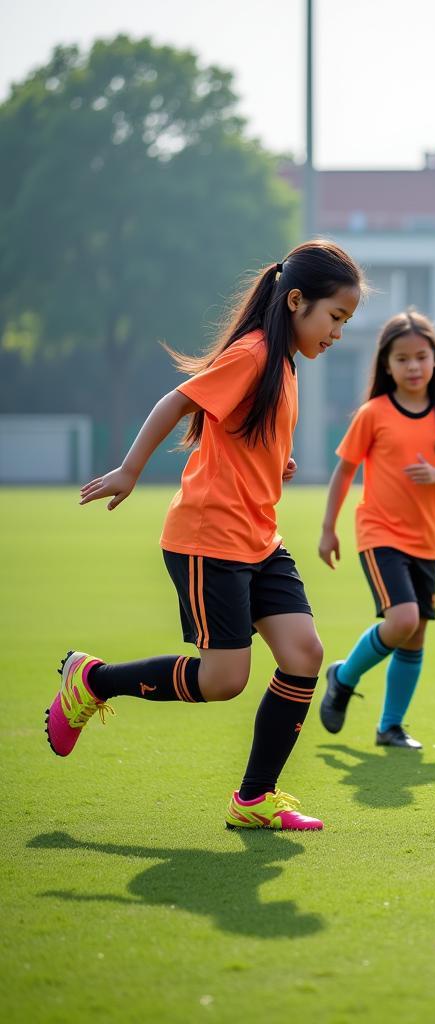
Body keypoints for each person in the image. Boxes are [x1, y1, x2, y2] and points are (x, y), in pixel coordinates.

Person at [46, 240, 365, 831]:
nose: (338, 333)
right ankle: (90, 681)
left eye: (345, 322)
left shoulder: (286, 362)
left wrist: (276, 462)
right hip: (207, 539)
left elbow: (244, 435)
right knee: (224, 680)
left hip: (259, 539)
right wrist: (131, 469)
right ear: (297, 301)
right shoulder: (254, 352)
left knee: (304, 655)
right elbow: (177, 401)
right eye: (335, 318)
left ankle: (254, 799)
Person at [318, 310, 435, 747]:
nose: (412, 367)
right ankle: (345, 677)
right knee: (402, 618)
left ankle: (390, 726)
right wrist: (329, 528)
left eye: (421, 357)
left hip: (426, 540)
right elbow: (344, 472)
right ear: (386, 364)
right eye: (402, 358)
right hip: (379, 532)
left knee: (416, 632)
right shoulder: (373, 413)